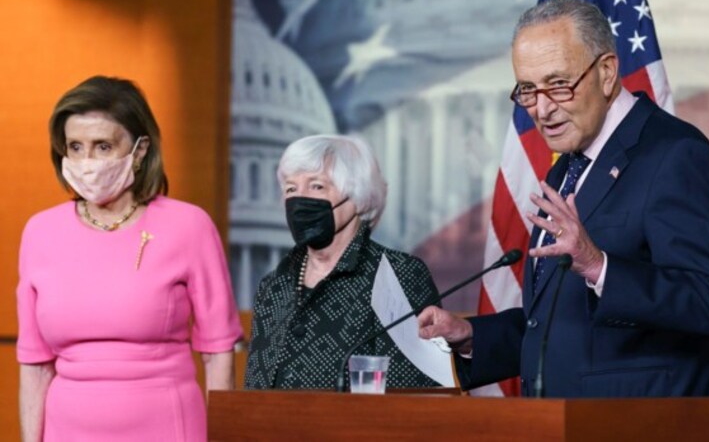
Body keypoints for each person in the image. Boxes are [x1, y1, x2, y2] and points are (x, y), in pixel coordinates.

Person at [418, 0, 709, 398]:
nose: (542, 109)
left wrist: (598, 265)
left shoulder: (675, 154)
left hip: (646, 425)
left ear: (606, 73)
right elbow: (563, 324)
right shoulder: (569, 166)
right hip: (566, 424)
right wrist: (471, 336)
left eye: (558, 85)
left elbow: (708, 302)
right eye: (528, 90)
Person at [16, 76, 243, 441]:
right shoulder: (40, 232)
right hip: (68, 430)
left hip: (167, 426)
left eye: (102, 146)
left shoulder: (189, 226)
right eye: (75, 146)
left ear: (140, 151)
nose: (86, 161)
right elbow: (35, 366)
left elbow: (218, 355)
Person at [244, 134, 442, 390]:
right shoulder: (274, 284)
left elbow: (411, 393)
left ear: (357, 196)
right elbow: (255, 389)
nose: (299, 199)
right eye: (291, 189)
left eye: (316, 186)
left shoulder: (397, 274)